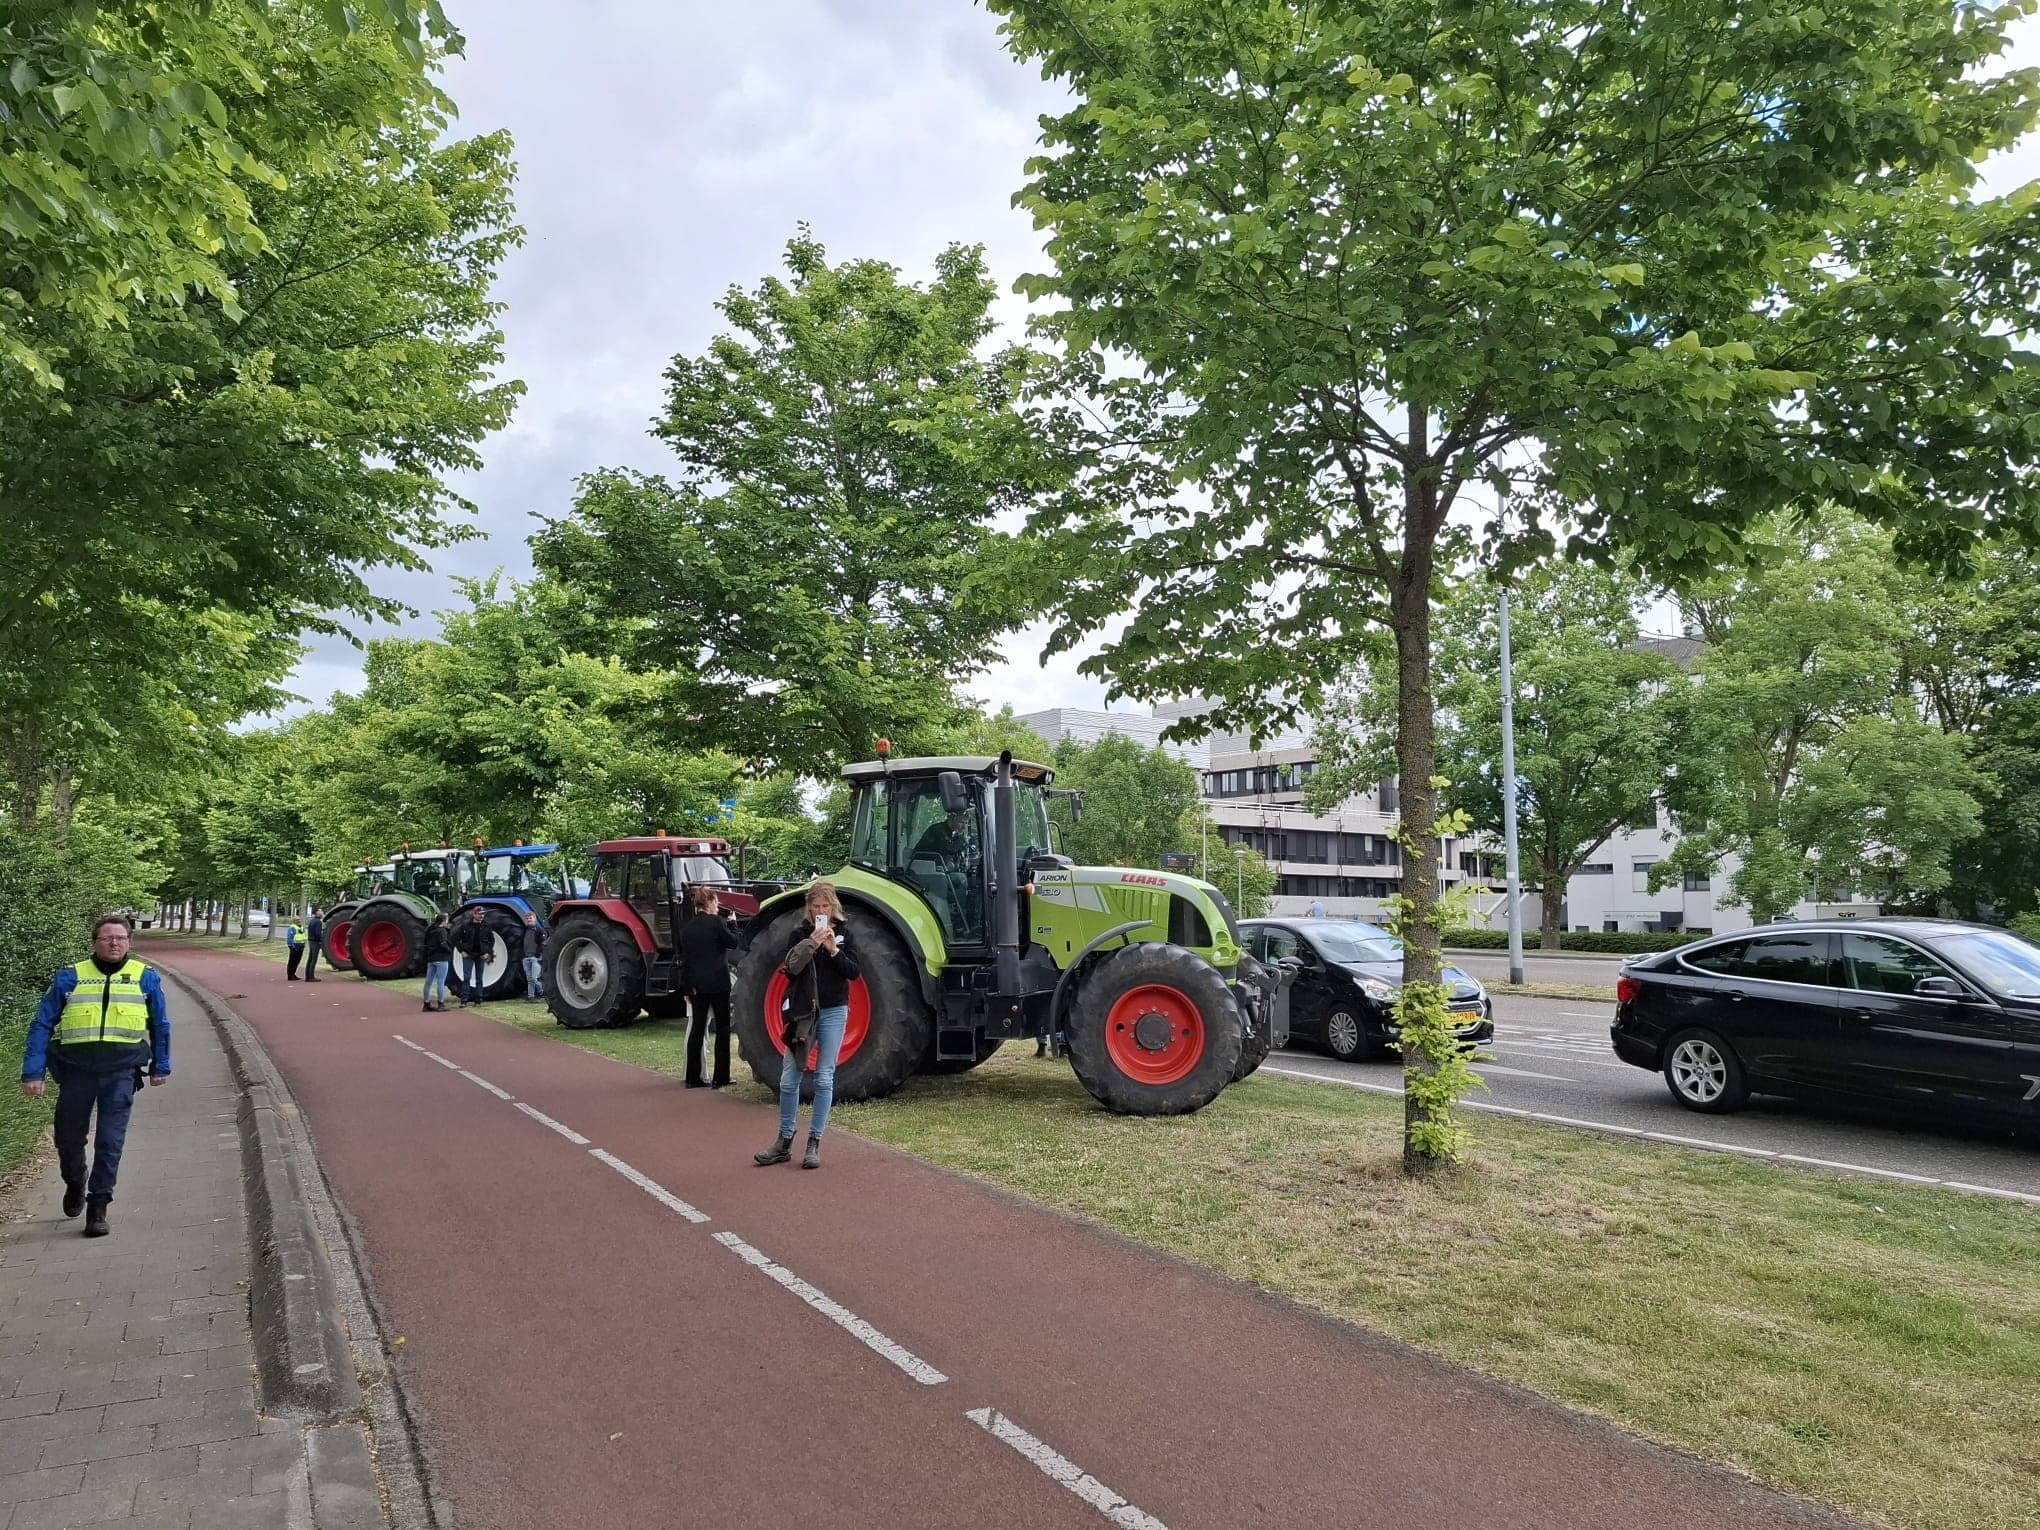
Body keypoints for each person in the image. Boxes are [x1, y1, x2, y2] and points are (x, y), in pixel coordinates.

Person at [19, 914, 172, 1237]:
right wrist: (33, 1072)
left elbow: (160, 1025)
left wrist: (161, 1065)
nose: (114, 943)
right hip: (76, 1072)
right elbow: (42, 1025)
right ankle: (75, 1181)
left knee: (109, 1141)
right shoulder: (70, 977)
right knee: (68, 1139)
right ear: (94, 943)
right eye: (107, 938)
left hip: (120, 1071)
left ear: (129, 942)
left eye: (120, 938)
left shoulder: (145, 978)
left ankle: (98, 1205)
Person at [755, 882, 859, 1170]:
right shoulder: (799, 934)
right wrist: (812, 943)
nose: (820, 911)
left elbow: (853, 972)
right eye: (815, 907)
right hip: (803, 1012)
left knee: (825, 1077)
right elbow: (790, 969)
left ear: (833, 907)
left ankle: (814, 1143)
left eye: (824, 906)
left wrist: (833, 949)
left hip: (834, 1011)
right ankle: (784, 1141)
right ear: (809, 909)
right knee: (790, 1077)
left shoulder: (846, 935)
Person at [677, 887, 738, 1089]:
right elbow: (733, 942)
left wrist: (687, 988)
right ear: (710, 902)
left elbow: (685, 960)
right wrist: (733, 924)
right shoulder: (717, 923)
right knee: (722, 1029)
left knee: (697, 1028)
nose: (718, 905)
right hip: (719, 984)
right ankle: (721, 1076)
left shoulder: (687, 928)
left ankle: (692, 1077)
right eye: (716, 902)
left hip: (696, 986)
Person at [453, 906, 491, 1006]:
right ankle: (464, 1000)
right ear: (474, 914)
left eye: (483, 914)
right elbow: (456, 939)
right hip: (468, 955)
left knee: (479, 979)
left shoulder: (487, 926)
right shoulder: (465, 925)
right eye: (479, 914)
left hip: (481, 955)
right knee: (467, 977)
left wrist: (488, 952)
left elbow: (492, 940)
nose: (482, 916)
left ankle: (478, 1000)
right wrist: (461, 951)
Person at [421, 915, 452, 1013]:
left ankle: (426, 1004)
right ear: (443, 921)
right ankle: (441, 1004)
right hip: (441, 958)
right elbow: (443, 943)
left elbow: (426, 943)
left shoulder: (430, 930)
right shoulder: (442, 931)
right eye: (447, 920)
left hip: (431, 958)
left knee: (428, 982)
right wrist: (450, 951)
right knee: (441, 982)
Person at [519, 911, 544, 1001]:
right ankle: (531, 997)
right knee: (529, 979)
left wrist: (538, 954)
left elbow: (543, 943)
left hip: (535, 957)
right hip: (525, 958)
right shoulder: (524, 930)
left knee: (535, 978)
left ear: (535, 918)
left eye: (531, 918)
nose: (529, 920)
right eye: (528, 918)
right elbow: (521, 943)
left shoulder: (539, 930)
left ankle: (542, 992)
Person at [303, 907, 324, 982]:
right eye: (321, 911)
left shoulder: (312, 921)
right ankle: (311, 977)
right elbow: (318, 934)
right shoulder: (318, 922)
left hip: (311, 941)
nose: (322, 913)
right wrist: (322, 940)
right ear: (317, 912)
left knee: (310, 959)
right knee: (313, 960)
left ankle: (308, 976)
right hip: (315, 942)